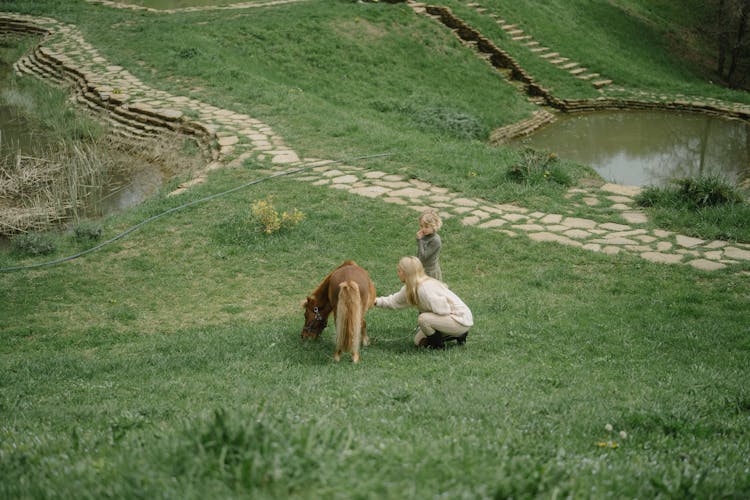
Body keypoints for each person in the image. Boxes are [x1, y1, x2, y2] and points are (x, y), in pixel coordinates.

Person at [375, 256, 472, 348]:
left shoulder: (424, 289)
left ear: (406, 273)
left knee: (424, 319)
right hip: (450, 318)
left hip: (460, 319)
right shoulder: (410, 288)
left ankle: (438, 345)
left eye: (399, 271)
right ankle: (455, 335)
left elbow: (444, 310)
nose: (398, 273)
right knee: (418, 342)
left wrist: (430, 317)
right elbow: (393, 301)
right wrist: (374, 301)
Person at [416, 210, 443, 281]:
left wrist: (419, 241)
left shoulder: (435, 240)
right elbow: (419, 254)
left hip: (430, 273)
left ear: (435, 226)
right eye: (421, 226)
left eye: (426, 227)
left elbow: (423, 256)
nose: (423, 229)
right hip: (421, 269)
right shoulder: (425, 236)